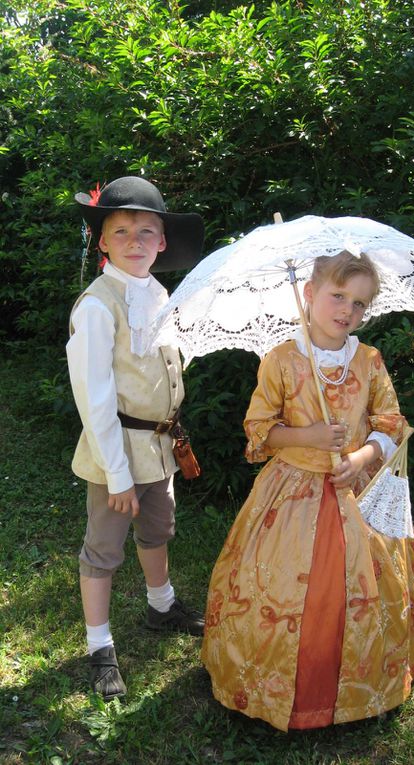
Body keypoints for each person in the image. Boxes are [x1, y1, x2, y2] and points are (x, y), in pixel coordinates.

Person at [201, 250, 414, 731]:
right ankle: (280, 684)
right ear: (309, 293)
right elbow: (259, 428)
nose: (348, 310)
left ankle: (358, 683)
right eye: (338, 296)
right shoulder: (282, 359)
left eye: (360, 303)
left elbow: (392, 422)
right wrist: (305, 436)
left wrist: (360, 458)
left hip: (355, 490)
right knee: (292, 590)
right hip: (290, 494)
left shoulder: (368, 360)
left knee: (359, 586)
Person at [67, 176, 205, 701]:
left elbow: (163, 363)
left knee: (157, 527)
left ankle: (160, 604)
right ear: (102, 241)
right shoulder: (97, 306)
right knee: (103, 548)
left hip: (161, 446)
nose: (135, 239)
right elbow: (95, 399)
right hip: (115, 452)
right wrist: (118, 475)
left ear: (163, 241)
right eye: (120, 230)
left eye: (146, 230)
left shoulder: (162, 294)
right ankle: (99, 645)